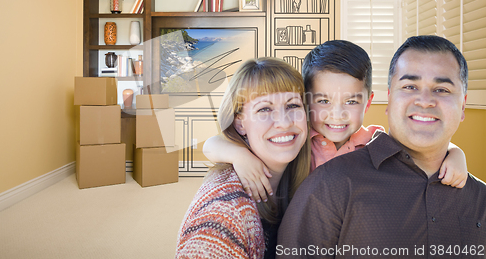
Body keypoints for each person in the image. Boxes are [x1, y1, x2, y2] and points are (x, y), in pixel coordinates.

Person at [276, 35, 486, 258]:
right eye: (410, 86)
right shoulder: (303, 153)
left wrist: (455, 151)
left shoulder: (373, 141)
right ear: (389, 100)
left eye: (442, 89)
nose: (425, 101)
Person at [203, 40, 468, 203]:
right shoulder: (296, 140)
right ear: (305, 101)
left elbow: (419, 149)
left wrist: (456, 153)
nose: (337, 115)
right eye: (323, 101)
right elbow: (212, 144)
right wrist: (240, 156)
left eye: (351, 102)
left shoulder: (376, 140)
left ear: (368, 101)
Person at [176, 58, 311, 259]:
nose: (283, 122)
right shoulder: (223, 214)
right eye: (264, 109)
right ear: (240, 123)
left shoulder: (308, 170)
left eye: (292, 105)